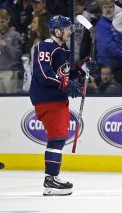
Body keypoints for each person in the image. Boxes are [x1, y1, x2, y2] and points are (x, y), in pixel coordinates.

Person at [29, 15, 85, 196]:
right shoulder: (45, 46)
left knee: (59, 137)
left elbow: (64, 74)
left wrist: (82, 69)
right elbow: (43, 74)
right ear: (57, 30)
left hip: (57, 100)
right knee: (57, 137)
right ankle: (51, 180)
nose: (70, 31)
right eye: (67, 28)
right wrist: (66, 85)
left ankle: (52, 178)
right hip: (48, 99)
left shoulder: (61, 49)